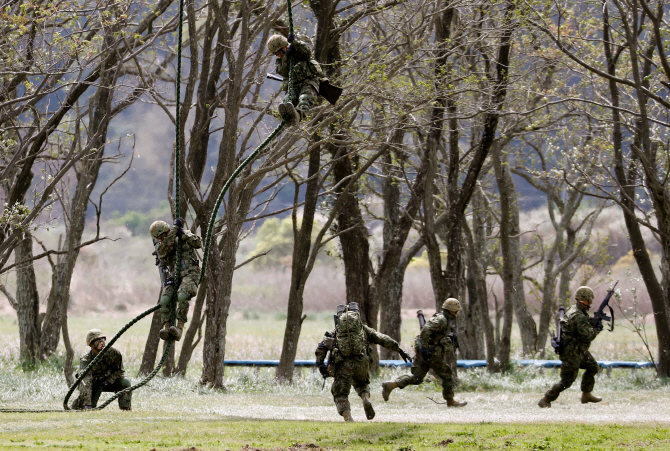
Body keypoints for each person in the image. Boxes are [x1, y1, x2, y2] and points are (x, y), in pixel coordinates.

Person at [315, 302, 411, 422]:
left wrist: (320, 365)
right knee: (362, 385)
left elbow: (321, 348)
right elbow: (382, 338)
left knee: (340, 393)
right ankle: (365, 398)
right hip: (361, 363)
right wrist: (399, 349)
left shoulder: (335, 332)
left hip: (343, 366)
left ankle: (348, 417)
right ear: (357, 315)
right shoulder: (363, 329)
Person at [381, 298, 467, 407]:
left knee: (416, 378)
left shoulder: (443, 319)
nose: (457, 313)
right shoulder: (442, 320)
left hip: (426, 354)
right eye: (456, 311)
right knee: (447, 375)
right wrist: (425, 348)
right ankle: (450, 401)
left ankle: (391, 385)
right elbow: (426, 330)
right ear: (451, 311)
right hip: (432, 354)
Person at [538, 286, 603, 408]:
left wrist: (592, 322)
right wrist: (596, 329)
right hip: (571, 353)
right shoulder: (578, 315)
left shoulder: (575, 310)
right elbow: (587, 335)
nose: (592, 302)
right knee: (566, 381)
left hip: (578, 351)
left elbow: (581, 326)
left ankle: (586, 394)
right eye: (590, 300)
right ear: (585, 300)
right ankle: (546, 399)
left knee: (593, 366)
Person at [150, 218, 202, 341]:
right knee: (165, 299)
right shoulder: (165, 245)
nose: (161, 240)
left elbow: (198, 243)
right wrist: (174, 231)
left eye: (161, 237)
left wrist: (183, 235)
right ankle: (167, 328)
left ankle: (179, 328)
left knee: (182, 296)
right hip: (175, 275)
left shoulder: (185, 234)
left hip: (190, 272)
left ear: (164, 232)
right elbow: (163, 252)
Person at [267, 33, 325, 126]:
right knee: (288, 99)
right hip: (294, 86)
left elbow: (307, 51)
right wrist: (286, 57)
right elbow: (282, 71)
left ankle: (298, 115)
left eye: (278, 53)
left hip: (309, 82)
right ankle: (288, 116)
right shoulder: (280, 61)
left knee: (304, 98)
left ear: (284, 47)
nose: (278, 56)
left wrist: (295, 42)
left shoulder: (298, 50)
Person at [71, 329, 131, 410]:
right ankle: (81, 405)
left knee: (125, 381)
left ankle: (125, 408)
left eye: (103, 339)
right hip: (93, 384)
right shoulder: (86, 360)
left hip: (110, 382)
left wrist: (108, 381)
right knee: (84, 402)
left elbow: (119, 371)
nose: (102, 342)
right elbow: (84, 380)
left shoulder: (114, 353)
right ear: (91, 344)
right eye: (98, 340)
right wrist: (88, 405)